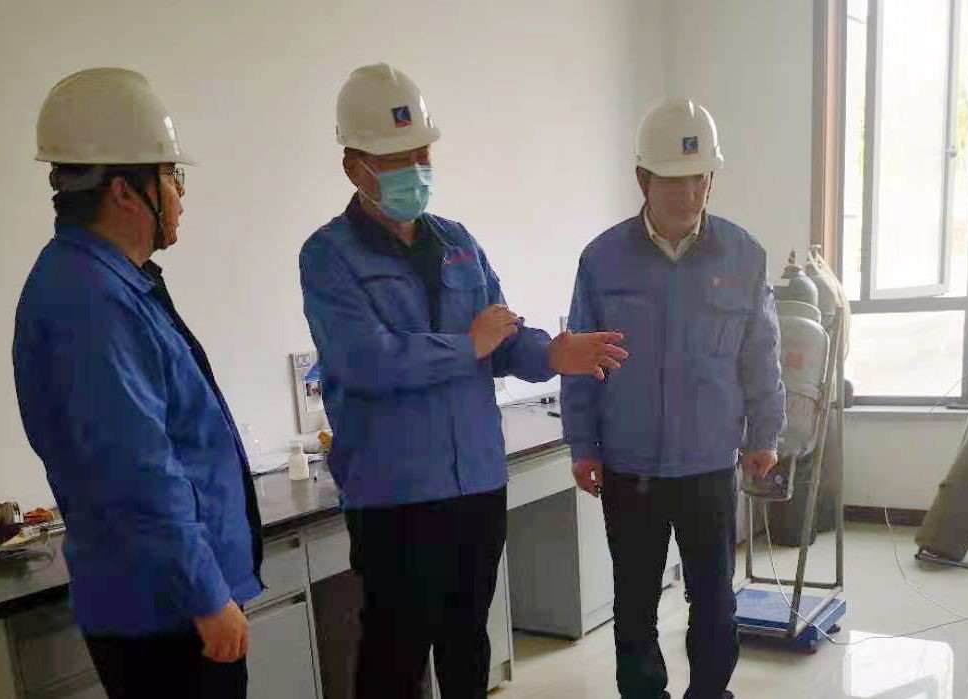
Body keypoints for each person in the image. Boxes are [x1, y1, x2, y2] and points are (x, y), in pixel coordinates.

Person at [299, 63, 629, 699]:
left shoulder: (458, 244)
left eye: (422, 155)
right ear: (354, 167)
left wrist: (554, 352)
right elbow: (366, 361)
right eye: (395, 159)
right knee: (394, 655)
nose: (415, 170)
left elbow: (504, 337)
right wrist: (466, 345)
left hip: (475, 483)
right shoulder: (329, 256)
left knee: (467, 642)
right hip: (394, 495)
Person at [13, 68, 263, 698]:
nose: (180, 193)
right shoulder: (90, 302)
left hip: (172, 600)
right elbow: (136, 469)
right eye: (171, 176)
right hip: (166, 612)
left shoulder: (111, 283)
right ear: (126, 191)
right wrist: (206, 596)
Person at [561, 97, 786, 699]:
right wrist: (582, 444)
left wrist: (765, 435)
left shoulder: (743, 254)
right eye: (673, 180)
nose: (689, 194)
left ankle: (710, 692)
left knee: (713, 597)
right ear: (643, 179)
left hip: (709, 463)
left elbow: (760, 353)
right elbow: (581, 362)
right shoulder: (602, 260)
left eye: (699, 179)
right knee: (634, 599)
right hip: (628, 463)